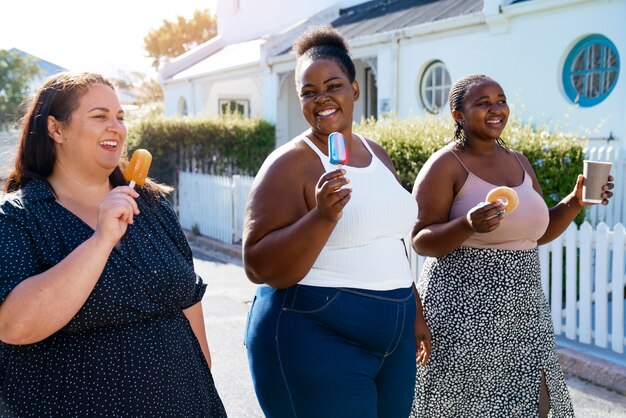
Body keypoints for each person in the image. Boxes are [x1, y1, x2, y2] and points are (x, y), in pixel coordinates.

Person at [0, 72, 227, 417]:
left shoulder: (152, 206)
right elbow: (14, 326)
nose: (116, 128)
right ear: (56, 129)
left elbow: (188, 305)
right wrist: (101, 240)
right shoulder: (19, 217)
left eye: (120, 117)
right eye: (100, 116)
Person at [242, 25, 431, 418]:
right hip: (316, 334)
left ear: (355, 89)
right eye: (309, 92)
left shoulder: (376, 153)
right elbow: (257, 263)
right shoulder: (289, 163)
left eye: (332, 86)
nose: (321, 99)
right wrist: (322, 216)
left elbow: (392, 238)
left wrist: (412, 308)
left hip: (393, 340)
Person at [410, 74, 614, 418]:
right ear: (458, 115)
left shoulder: (519, 161)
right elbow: (420, 239)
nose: (496, 109)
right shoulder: (446, 164)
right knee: (464, 407)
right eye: (483, 103)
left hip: (524, 311)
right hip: (464, 314)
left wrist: (575, 202)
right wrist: (466, 225)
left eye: (500, 100)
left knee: (534, 404)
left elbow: (538, 232)